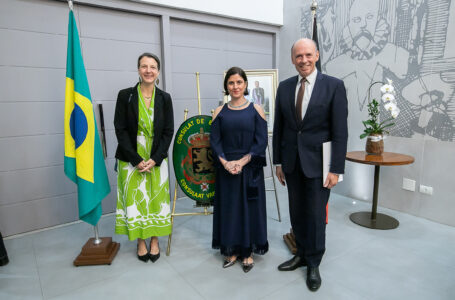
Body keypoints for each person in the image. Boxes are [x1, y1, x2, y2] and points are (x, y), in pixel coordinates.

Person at [273, 38, 348, 291]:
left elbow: (340, 132)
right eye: (298, 56)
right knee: (297, 212)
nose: (303, 60)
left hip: (320, 165)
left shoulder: (334, 87)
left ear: (316, 55)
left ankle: (314, 263)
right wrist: (278, 162)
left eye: (307, 55)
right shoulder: (284, 87)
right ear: (292, 59)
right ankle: (301, 253)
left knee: (316, 215)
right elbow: (279, 128)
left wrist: (336, 169)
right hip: (292, 164)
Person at [114, 53, 174, 263]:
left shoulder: (164, 98)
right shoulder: (125, 96)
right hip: (131, 157)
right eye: (144, 66)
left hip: (156, 156)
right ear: (138, 69)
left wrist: (156, 158)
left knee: (156, 200)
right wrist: (135, 159)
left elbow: (168, 131)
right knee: (135, 201)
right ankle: (140, 241)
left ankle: (155, 239)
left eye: (153, 67)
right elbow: (119, 129)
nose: (148, 70)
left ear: (158, 71)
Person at [210, 67, 268, 273]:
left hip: (249, 169)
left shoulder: (257, 110)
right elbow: (215, 142)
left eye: (239, 82)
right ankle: (231, 249)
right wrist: (226, 163)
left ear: (245, 84)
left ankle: (248, 252)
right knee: (230, 210)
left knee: (250, 210)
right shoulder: (219, 112)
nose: (235, 86)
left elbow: (261, 142)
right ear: (226, 86)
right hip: (226, 170)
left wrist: (241, 162)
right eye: (231, 83)